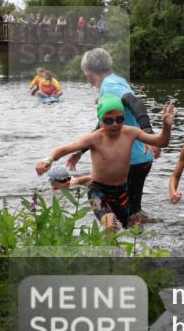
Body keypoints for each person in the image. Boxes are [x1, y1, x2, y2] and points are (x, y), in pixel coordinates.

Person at [36, 94, 175, 231]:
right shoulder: (94, 138)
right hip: (98, 191)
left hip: (122, 192)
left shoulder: (131, 133)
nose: (115, 124)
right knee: (110, 225)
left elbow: (161, 142)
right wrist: (49, 159)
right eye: (109, 120)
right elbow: (64, 149)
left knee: (132, 229)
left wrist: (167, 126)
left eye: (119, 119)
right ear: (100, 120)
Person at [67, 48, 161, 223]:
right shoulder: (116, 80)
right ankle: (140, 236)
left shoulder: (110, 85)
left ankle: (129, 238)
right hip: (140, 157)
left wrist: (149, 134)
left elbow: (136, 104)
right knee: (132, 212)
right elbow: (103, 126)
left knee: (121, 213)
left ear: (88, 70)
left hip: (130, 158)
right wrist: (81, 150)